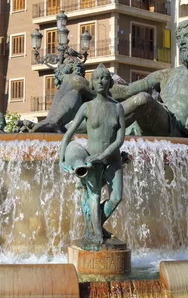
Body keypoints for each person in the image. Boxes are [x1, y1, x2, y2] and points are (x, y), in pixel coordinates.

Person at [111, 19, 188, 140]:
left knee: (143, 99)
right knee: (140, 99)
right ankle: (104, 125)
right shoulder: (166, 74)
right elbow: (127, 90)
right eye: (179, 38)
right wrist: (95, 92)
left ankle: (107, 127)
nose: (182, 42)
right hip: (161, 122)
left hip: (179, 131)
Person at [59, 64, 125, 245]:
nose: (101, 81)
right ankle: (96, 233)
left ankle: (94, 224)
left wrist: (104, 154)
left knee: (117, 196)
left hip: (112, 157)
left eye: (104, 78)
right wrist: (61, 158)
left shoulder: (118, 108)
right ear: (92, 83)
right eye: (97, 78)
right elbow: (69, 133)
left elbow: (120, 139)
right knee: (94, 195)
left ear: (110, 82)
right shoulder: (87, 107)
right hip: (91, 159)